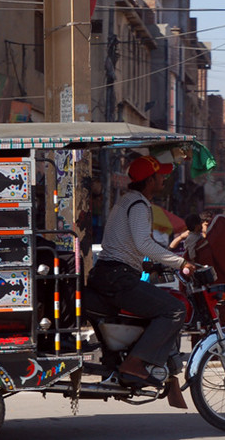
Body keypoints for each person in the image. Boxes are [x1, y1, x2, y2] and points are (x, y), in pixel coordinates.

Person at [85, 155, 195, 402]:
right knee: (174, 310)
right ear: (149, 180)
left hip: (111, 274)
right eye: (160, 176)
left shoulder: (127, 202)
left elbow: (125, 246)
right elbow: (143, 243)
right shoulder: (139, 204)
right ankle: (134, 364)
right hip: (118, 278)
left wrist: (149, 264)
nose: (164, 179)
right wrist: (181, 262)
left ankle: (133, 362)